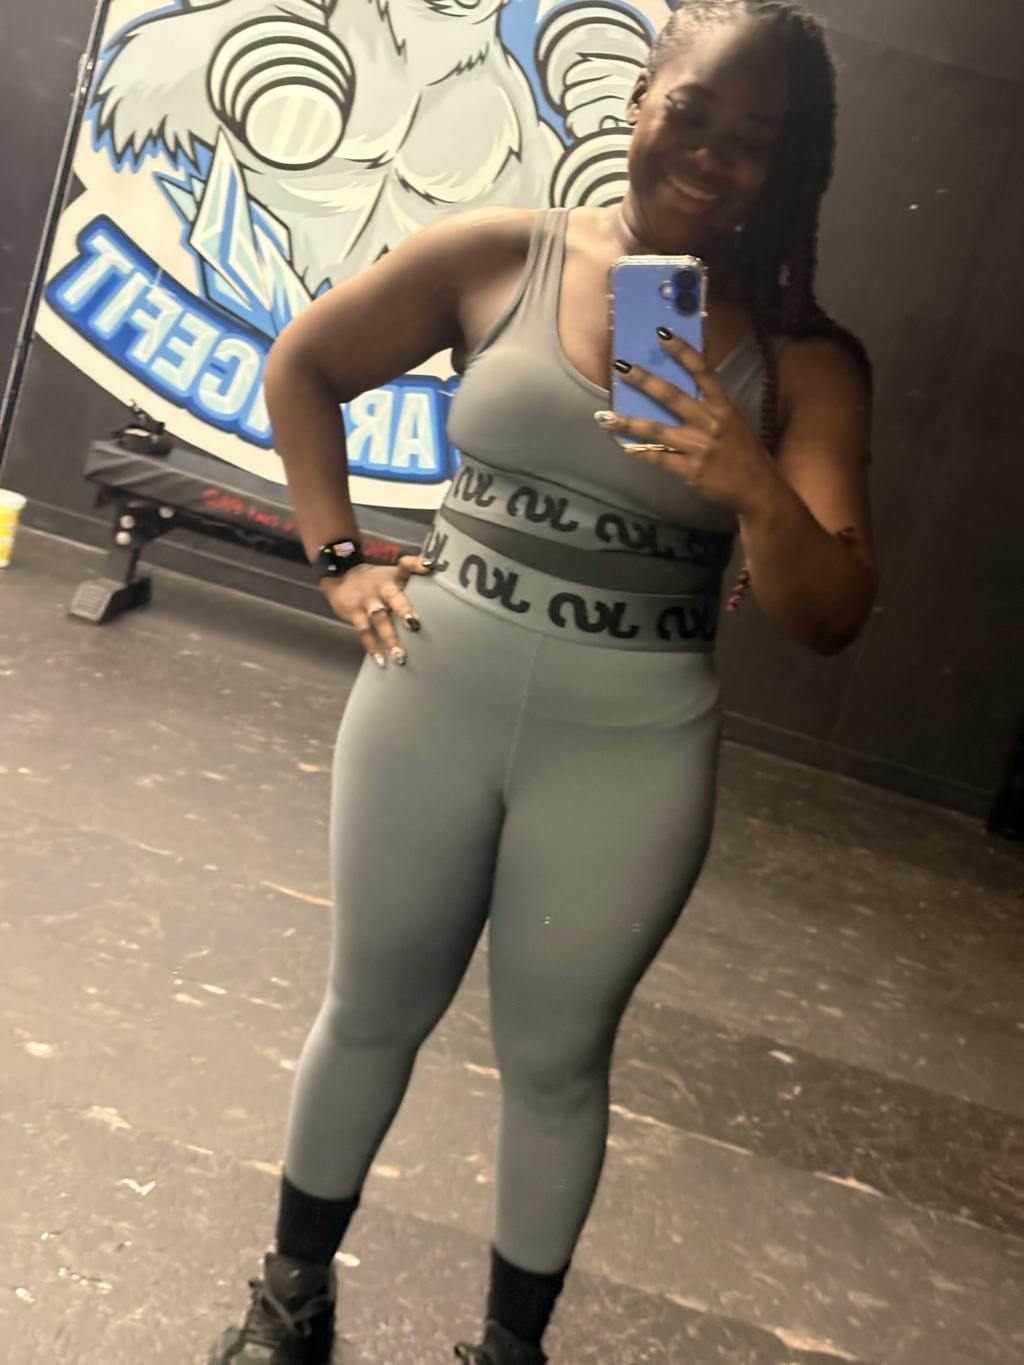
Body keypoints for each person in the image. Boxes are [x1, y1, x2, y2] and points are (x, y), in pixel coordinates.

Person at [208, 3, 876, 1362]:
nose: (712, 156)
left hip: (629, 743)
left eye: (755, 142)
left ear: (789, 168)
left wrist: (748, 478)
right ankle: (289, 1304)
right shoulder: (501, 254)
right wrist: (339, 559)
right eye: (692, 112)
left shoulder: (803, 364)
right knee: (369, 1010)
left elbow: (829, 615)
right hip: (432, 694)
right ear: (639, 100)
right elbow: (304, 365)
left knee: (557, 1063)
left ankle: (510, 1351)